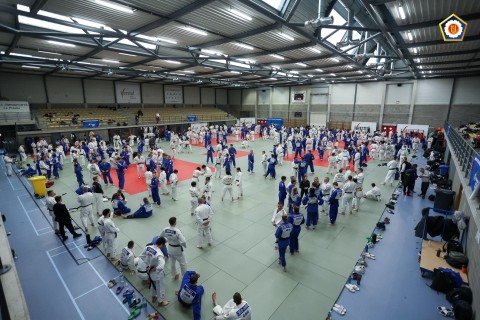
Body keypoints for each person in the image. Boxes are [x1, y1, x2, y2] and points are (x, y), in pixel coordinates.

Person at [139, 237, 169, 307]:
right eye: (164, 245)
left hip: (150, 271)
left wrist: (148, 264)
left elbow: (142, 256)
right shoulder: (159, 254)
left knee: (153, 284)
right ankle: (161, 302)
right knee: (160, 286)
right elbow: (161, 266)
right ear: (161, 244)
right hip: (157, 274)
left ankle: (153, 297)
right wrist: (154, 268)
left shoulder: (148, 247)